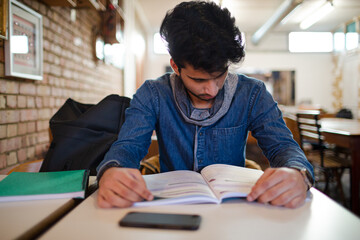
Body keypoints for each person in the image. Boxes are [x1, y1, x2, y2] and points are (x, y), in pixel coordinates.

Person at [96, 1, 314, 209]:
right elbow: (127, 147)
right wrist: (113, 170)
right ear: (175, 66)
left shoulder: (253, 94)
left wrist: (298, 173)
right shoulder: (152, 94)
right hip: (173, 209)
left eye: (220, 76)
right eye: (199, 80)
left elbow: (284, 147)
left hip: (235, 210)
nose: (212, 90)